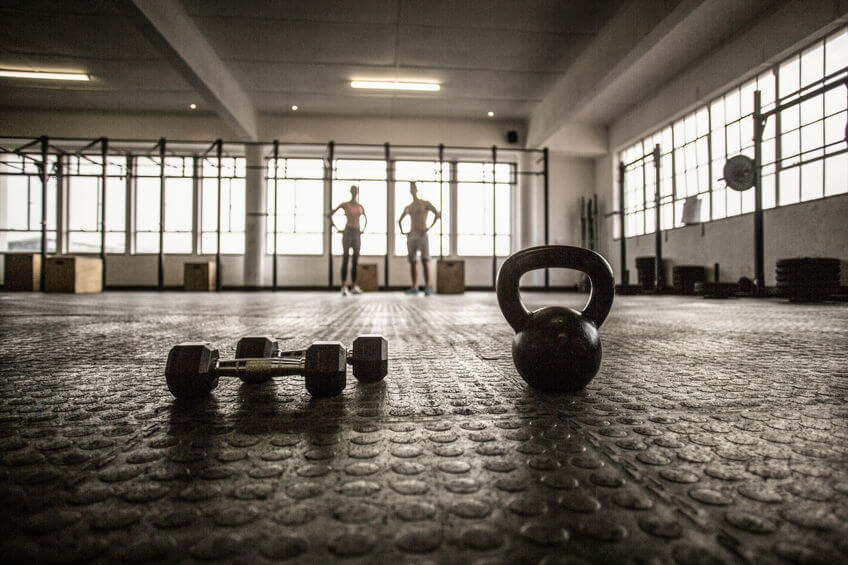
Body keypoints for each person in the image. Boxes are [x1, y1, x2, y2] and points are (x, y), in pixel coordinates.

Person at [398, 182, 440, 295]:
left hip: (422, 235)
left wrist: (428, 228)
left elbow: (437, 214)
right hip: (412, 236)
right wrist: (403, 232)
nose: (412, 190)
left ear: (416, 189)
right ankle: (415, 286)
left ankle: (427, 287)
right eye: (410, 188)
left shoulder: (425, 203)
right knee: (413, 261)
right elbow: (400, 220)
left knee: (425, 260)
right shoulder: (409, 207)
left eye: (413, 188)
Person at [328, 185, 367, 295]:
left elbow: (366, 219)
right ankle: (344, 286)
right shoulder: (345, 205)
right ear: (351, 192)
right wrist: (337, 228)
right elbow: (330, 215)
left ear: (357, 192)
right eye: (353, 191)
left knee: (355, 260)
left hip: (356, 232)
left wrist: (362, 229)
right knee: (345, 258)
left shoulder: (360, 206)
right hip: (348, 231)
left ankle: (354, 286)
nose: (354, 193)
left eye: (356, 191)